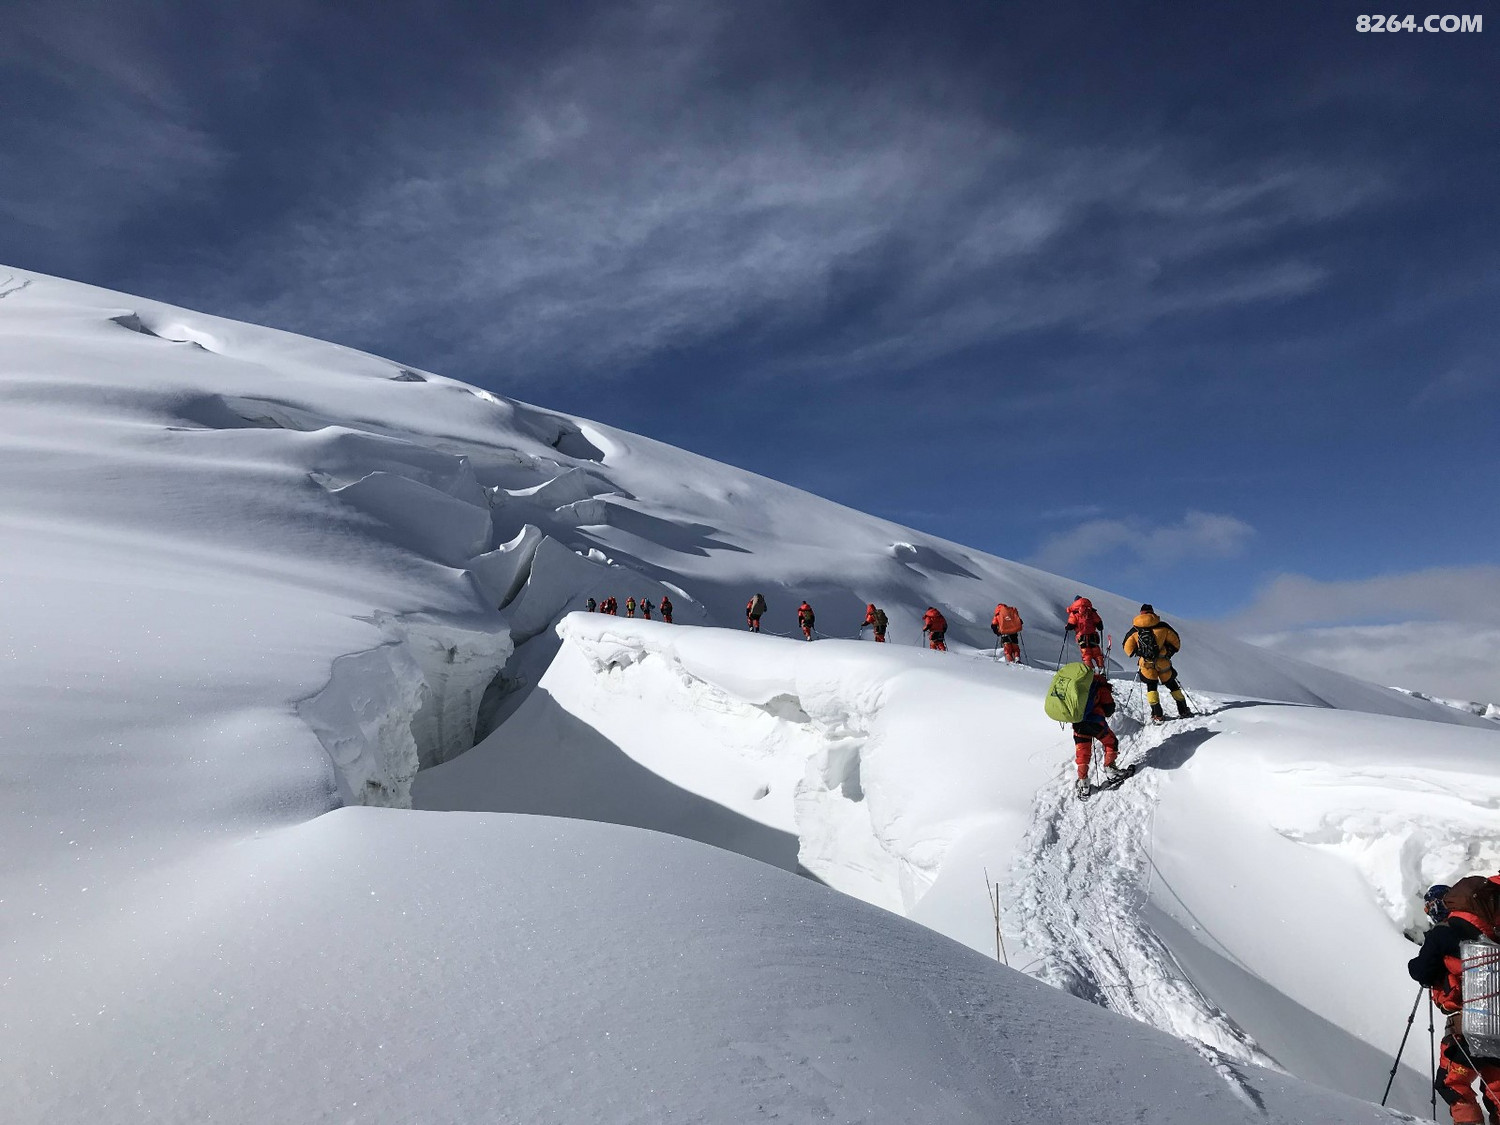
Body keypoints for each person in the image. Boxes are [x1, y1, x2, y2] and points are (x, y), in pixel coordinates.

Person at [1408, 879, 1500, 1125]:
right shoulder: (1492, 929)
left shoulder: (1443, 931)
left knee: (1453, 1083)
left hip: (1468, 1025)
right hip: (1498, 1022)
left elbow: (1421, 971)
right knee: (1497, 1089)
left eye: (1430, 907)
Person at [1122, 604, 1194, 722]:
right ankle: (1183, 710)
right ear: (1152, 612)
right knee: (1172, 685)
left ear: (1141, 613)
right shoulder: (1163, 627)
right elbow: (1176, 643)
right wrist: (1167, 652)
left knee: (1151, 688)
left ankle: (1157, 714)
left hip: (1146, 664)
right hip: (1163, 662)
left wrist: (1139, 652)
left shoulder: (1135, 629)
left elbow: (1128, 649)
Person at [1071, 673, 1123, 799]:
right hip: (1096, 724)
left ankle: (1083, 783)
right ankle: (1111, 770)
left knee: (1082, 753)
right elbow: (1109, 709)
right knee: (1111, 742)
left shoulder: (1077, 684)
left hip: (1078, 725)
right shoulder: (1099, 684)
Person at [1065, 595, 1105, 672]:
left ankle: (1090, 671)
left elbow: (1071, 625)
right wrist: (1100, 627)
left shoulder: (1075, 613)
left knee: (1086, 655)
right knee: (1097, 653)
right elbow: (1099, 624)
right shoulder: (1091, 611)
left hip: (1081, 637)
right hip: (1093, 636)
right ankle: (1101, 669)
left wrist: (1067, 627)